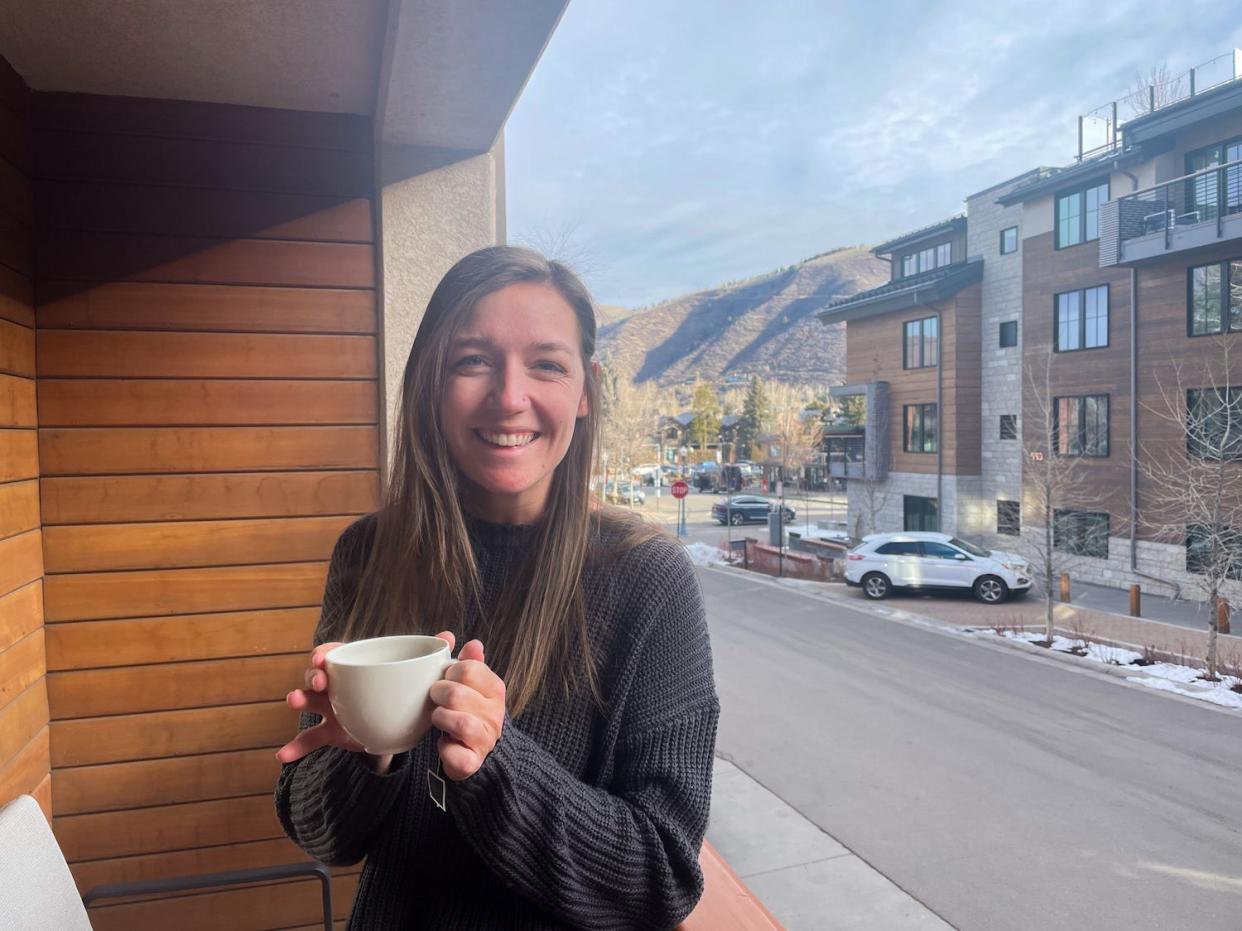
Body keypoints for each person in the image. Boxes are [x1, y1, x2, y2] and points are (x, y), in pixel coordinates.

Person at [274, 246, 720, 930]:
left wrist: (495, 764)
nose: (509, 396)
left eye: (546, 363)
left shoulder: (646, 579)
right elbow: (321, 836)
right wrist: (363, 756)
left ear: (585, 393)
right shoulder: (368, 554)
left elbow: (662, 877)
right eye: (472, 360)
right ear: (430, 382)